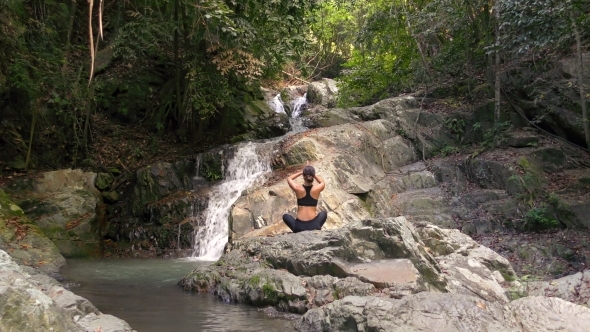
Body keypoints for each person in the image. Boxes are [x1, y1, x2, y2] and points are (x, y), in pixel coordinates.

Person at [282, 162, 327, 233]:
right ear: (313, 176)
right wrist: (312, 173)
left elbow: (289, 178)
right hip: (314, 226)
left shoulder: (297, 188)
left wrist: (302, 172)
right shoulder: (317, 189)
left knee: (285, 216)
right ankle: (317, 228)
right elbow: (322, 182)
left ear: (303, 176)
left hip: (299, 227)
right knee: (324, 213)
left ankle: (296, 230)